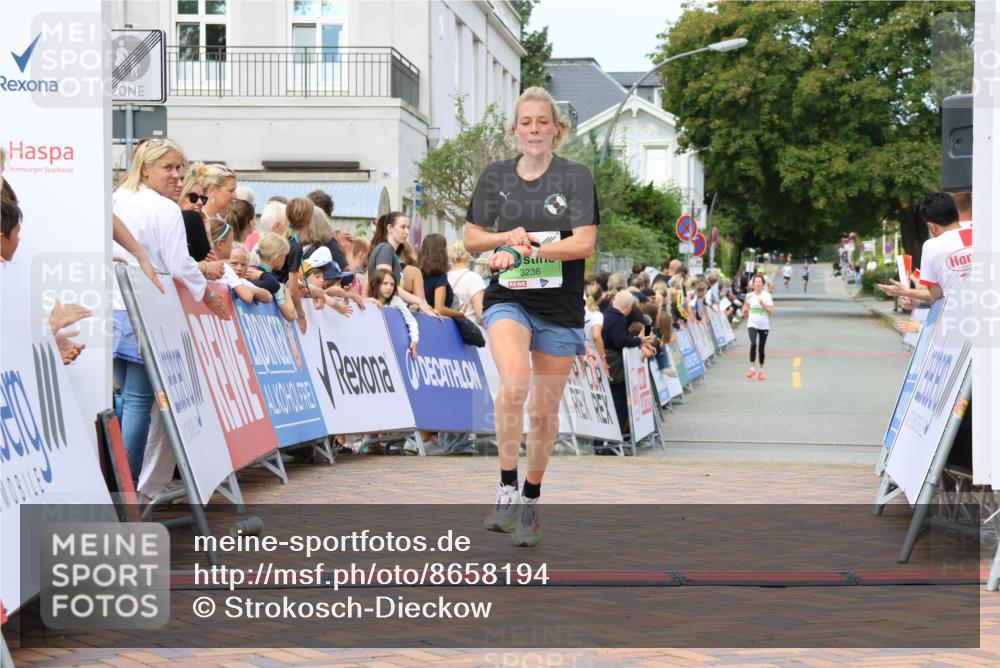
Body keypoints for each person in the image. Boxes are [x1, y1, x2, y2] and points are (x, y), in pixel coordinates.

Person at [463, 86, 599, 547]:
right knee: (515, 382)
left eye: (543, 122)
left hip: (560, 308)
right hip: (509, 298)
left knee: (543, 413)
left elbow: (583, 244)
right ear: (515, 129)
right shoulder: (496, 176)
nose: (535, 129)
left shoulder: (575, 178)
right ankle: (505, 487)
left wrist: (534, 245)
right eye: (527, 122)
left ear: (556, 130)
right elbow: (470, 239)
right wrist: (504, 239)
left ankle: (530, 499)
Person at [112, 138, 228, 482]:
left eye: (180, 167)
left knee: (123, 399)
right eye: (169, 167)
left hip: (114, 307)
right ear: (145, 169)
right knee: (136, 403)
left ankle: (121, 481)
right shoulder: (164, 210)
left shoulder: (116, 199)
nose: (177, 175)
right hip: (145, 308)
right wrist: (206, 293)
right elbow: (180, 264)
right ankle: (127, 487)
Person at [602, 291, 655, 448]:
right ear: (629, 307)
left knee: (613, 403)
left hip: (609, 361)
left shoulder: (606, 314)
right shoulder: (618, 319)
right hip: (616, 365)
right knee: (619, 404)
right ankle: (613, 445)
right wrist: (639, 339)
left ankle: (604, 443)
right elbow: (620, 341)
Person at [368, 212, 438, 317]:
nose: (407, 231)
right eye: (403, 227)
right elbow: (384, 284)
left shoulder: (389, 252)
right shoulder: (385, 249)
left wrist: (423, 305)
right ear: (390, 228)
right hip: (383, 313)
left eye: (408, 227)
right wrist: (419, 301)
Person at [208, 218, 272, 304]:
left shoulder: (196, 262)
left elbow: (268, 297)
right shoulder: (225, 269)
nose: (232, 248)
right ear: (220, 244)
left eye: (243, 264)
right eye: (230, 243)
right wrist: (246, 289)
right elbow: (248, 297)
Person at [366, 268, 419, 360]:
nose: (389, 287)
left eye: (392, 284)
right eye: (385, 283)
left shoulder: (396, 301)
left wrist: (414, 340)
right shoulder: (369, 302)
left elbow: (412, 321)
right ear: (376, 284)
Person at [248, 232, 296, 321]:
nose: (285, 259)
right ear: (278, 258)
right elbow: (291, 315)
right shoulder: (273, 283)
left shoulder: (252, 271)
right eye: (285, 256)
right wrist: (286, 291)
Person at [418, 233, 466, 319]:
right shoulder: (440, 277)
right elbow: (440, 308)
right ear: (441, 252)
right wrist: (460, 314)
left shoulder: (419, 274)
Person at [741, 274, 773, 381]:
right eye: (756, 281)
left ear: (763, 284)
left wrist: (763, 304)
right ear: (753, 284)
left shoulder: (767, 296)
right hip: (752, 324)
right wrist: (744, 310)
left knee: (761, 348)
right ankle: (752, 368)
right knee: (753, 344)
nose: (758, 283)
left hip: (764, 325)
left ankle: (761, 370)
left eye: (760, 282)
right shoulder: (749, 296)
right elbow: (746, 306)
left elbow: (770, 312)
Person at [447, 239, 487, 324]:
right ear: (469, 256)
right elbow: (481, 315)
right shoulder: (474, 278)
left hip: (449, 328)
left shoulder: (445, 277)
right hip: (469, 329)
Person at [583, 279, 607, 372]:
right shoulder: (597, 315)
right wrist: (603, 360)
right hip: (593, 356)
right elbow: (596, 336)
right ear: (601, 297)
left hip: (579, 353)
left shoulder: (578, 310)